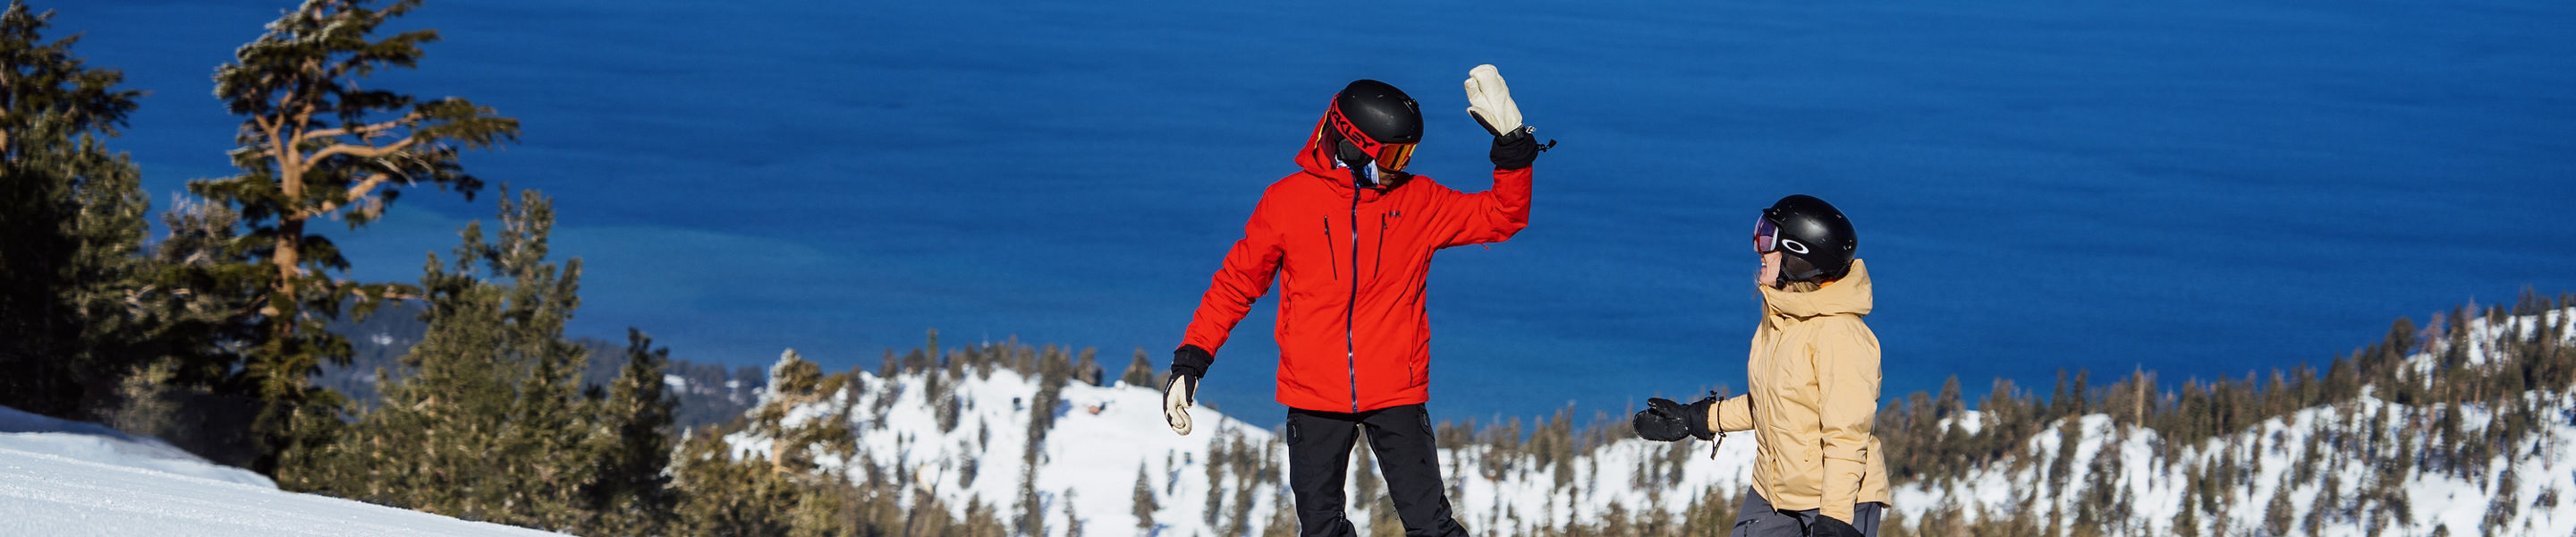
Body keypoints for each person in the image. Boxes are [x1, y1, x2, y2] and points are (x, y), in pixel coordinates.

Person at [1161, 65, 1546, 537]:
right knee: (1321, 529)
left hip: (1395, 390)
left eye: (1407, 154)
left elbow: (1502, 216)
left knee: (1431, 526)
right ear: (1351, 144)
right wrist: (1191, 362)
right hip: (1314, 395)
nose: (1400, 166)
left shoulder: (1419, 201)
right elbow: (1236, 285)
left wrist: (1513, 148)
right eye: (1393, 154)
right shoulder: (1287, 202)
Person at [1631, 194, 1889, 537]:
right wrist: (1698, 418)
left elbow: (1846, 438)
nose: (1759, 249)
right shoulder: (1783, 319)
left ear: (1799, 257)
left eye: (1768, 239)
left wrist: (1836, 521)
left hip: (1836, 501)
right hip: (1774, 490)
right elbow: (1773, 404)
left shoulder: (1840, 335)